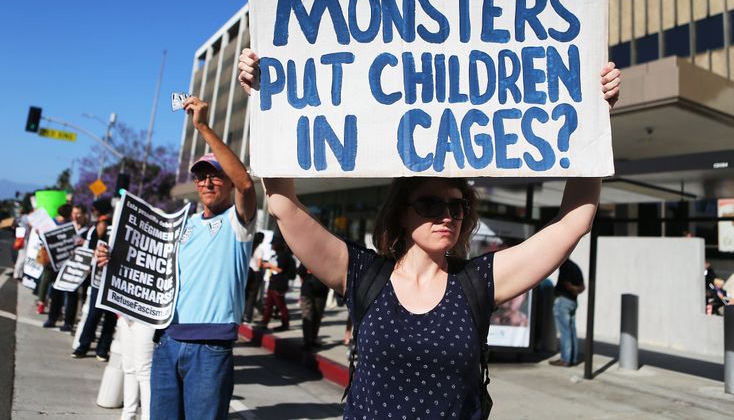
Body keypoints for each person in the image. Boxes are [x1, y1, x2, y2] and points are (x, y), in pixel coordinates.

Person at [239, 49, 620, 418]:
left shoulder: (477, 282)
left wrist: (596, 117)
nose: (447, 216)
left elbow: (573, 222)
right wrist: (264, 101)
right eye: (431, 205)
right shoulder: (363, 275)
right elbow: (284, 206)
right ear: (402, 214)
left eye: (457, 207)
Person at [144, 95, 256, 420]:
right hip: (167, 340)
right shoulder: (183, 223)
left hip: (210, 347)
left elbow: (246, 185)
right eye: (200, 176)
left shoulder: (238, 222)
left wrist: (203, 127)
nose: (206, 182)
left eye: (215, 175)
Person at [72, 198, 116, 360]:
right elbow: (89, 251)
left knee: (105, 315)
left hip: (111, 281)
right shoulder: (95, 228)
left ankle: (96, 348)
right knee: (95, 314)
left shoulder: (115, 226)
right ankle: (89, 347)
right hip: (100, 279)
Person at [43, 204, 89, 332]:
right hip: (60, 265)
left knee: (71, 294)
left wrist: (84, 243)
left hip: (76, 266)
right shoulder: (66, 227)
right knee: (56, 291)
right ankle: (52, 318)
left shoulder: (87, 230)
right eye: (74, 213)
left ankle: (68, 322)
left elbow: (91, 246)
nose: (76, 215)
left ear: (84, 214)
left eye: (78, 213)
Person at [549, 258, 585, 366]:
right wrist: (576, 291)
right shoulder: (575, 266)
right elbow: (582, 287)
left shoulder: (565, 266)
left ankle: (566, 359)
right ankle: (572, 359)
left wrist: (572, 289)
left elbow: (567, 285)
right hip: (572, 302)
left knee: (565, 331)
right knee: (571, 330)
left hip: (563, 301)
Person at [259, 235, 294, 331]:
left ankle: (285, 323)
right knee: (269, 305)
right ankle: (264, 322)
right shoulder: (275, 255)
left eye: (273, 244)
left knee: (280, 305)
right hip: (273, 282)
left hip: (279, 284)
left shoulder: (283, 256)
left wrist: (269, 265)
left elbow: (280, 269)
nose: (272, 246)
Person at [297, 262, 329, 349]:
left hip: (321, 291)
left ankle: (313, 339)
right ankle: (307, 341)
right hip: (308, 290)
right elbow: (300, 271)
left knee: (317, 316)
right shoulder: (309, 256)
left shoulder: (328, 260)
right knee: (307, 316)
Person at [243, 231, 266, 323]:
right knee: (252, 296)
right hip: (255, 273)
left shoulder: (249, 246)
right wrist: (267, 264)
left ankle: (241, 314)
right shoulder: (259, 250)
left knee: (245, 294)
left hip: (247, 271)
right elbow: (259, 264)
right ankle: (248, 316)